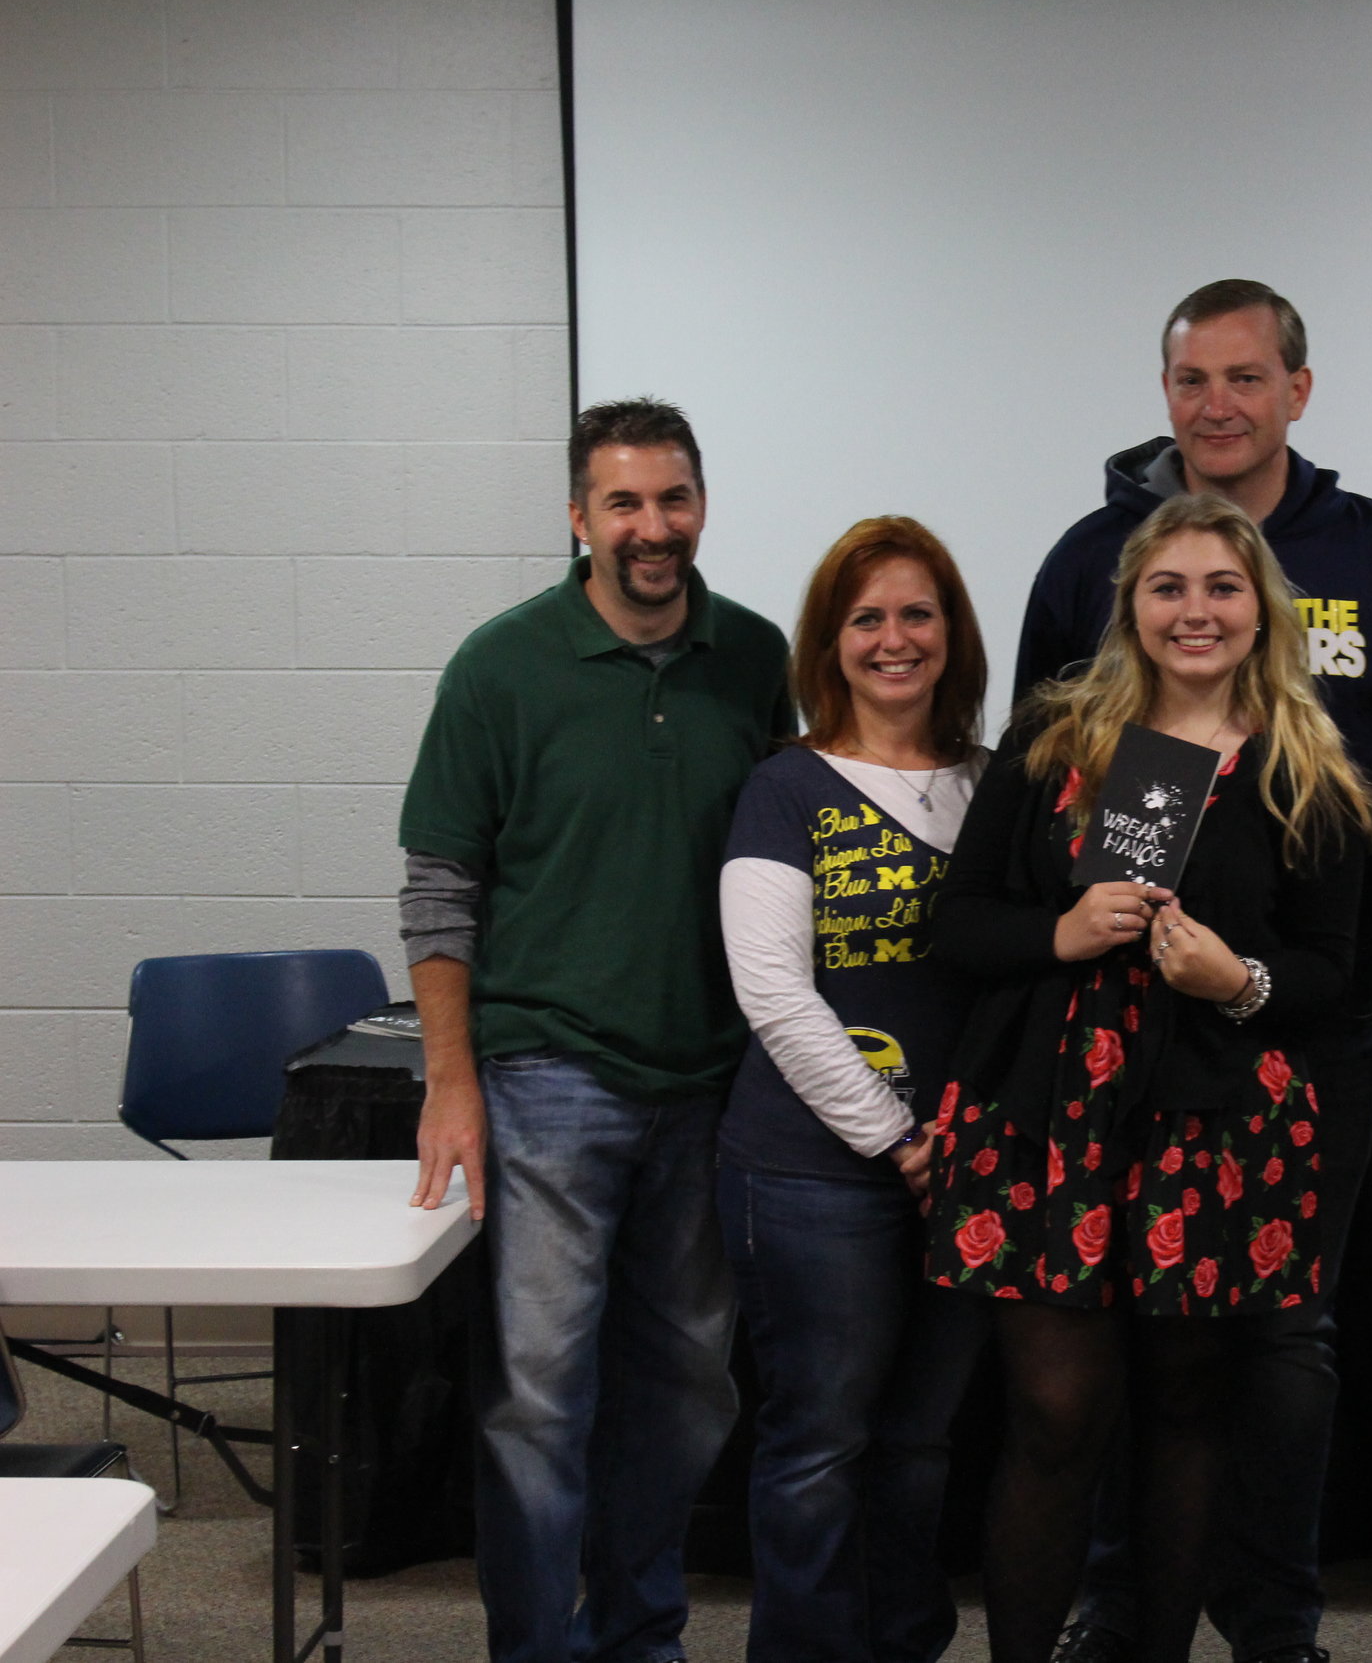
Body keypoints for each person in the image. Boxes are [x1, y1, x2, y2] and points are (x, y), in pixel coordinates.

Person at [1015, 278, 1372, 1663]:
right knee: (1130, 1326)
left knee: (1284, 1339)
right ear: (1166, 396)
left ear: (1298, 391)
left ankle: (1277, 1619)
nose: (1218, 404)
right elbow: (1039, 760)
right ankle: (1121, 1603)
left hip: (1318, 1019)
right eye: (1192, 380)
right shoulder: (1093, 552)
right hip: (1120, 1031)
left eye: (1245, 378)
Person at [928, 492, 1372, 1663]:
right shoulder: (1054, 738)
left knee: (1186, 1415)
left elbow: (1333, 971)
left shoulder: (1307, 769)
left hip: (1213, 1125)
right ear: (1130, 604)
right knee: (1057, 1412)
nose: (1196, 611)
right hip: (1051, 1118)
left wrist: (1241, 980)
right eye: (1168, 586)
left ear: (1261, 608)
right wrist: (1060, 932)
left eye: (1221, 587)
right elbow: (958, 921)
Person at [399, 399, 792, 1663]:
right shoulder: (498, 665)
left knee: (684, 1393)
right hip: (546, 1081)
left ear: (701, 504)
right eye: (622, 502)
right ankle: (535, 1647)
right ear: (578, 516)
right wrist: (450, 1083)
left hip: (713, 1080)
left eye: (671, 498)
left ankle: (642, 1635)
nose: (651, 527)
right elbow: (441, 888)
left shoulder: (757, 655)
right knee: (538, 1400)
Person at [715, 517, 991, 1661]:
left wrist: (954, 1143)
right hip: (811, 1172)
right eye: (865, 617)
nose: (893, 638)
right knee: (819, 1442)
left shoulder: (997, 781)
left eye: (916, 612)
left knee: (921, 1443)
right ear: (828, 644)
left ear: (951, 632)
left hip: (966, 1167)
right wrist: (896, 1137)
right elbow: (774, 992)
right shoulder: (785, 786)